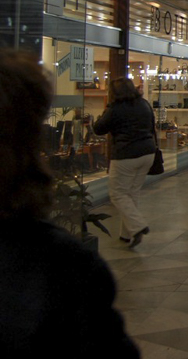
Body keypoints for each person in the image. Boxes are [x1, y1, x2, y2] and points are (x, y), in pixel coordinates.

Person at [0, 49, 140, 357]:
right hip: (138, 155)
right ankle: (134, 225)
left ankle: (133, 225)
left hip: (125, 156)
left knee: (123, 191)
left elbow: (102, 127)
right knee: (126, 191)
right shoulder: (61, 267)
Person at [93, 76, 156, 249]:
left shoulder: (115, 109)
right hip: (147, 153)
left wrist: (105, 111)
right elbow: (152, 126)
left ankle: (138, 226)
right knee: (132, 193)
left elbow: (98, 128)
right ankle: (127, 234)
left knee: (118, 193)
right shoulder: (144, 104)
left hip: (126, 155)